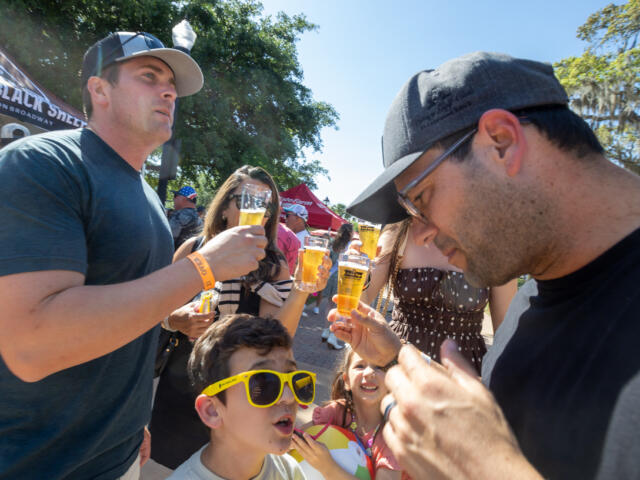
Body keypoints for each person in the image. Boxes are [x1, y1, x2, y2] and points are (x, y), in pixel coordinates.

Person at [337, 51, 640, 479]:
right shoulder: (532, 295)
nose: (421, 233)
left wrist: (489, 469)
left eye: (421, 199)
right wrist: (395, 357)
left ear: (501, 141)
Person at [0, 32, 267, 479]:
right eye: (149, 76)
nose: (169, 92)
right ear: (99, 90)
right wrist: (203, 267)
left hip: (119, 454)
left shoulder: (145, 194)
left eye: (172, 86)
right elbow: (32, 343)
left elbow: (128, 312)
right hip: (41, 462)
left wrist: (133, 419)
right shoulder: (41, 164)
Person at [150, 165, 331, 469]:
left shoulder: (273, 265)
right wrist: (176, 320)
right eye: (246, 198)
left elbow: (278, 339)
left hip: (239, 404)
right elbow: (154, 309)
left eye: (265, 204)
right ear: (223, 209)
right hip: (180, 392)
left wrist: (300, 289)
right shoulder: (194, 249)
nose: (257, 210)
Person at [360, 218, 517, 374]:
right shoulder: (398, 233)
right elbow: (360, 305)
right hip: (400, 360)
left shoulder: (496, 243)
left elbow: (507, 336)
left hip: (463, 370)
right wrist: (356, 272)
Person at [168, 313, 309, 480]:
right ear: (211, 410)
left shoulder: (288, 469)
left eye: (294, 379)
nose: (289, 395)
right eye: (263, 384)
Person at [293, 347, 402, 480]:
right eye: (360, 366)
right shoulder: (337, 411)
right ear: (347, 381)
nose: (369, 372)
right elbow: (297, 439)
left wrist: (328, 467)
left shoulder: (393, 437)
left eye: (379, 367)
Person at [319, 222, 354, 348]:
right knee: (341, 308)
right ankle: (333, 337)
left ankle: (326, 331)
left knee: (329, 304)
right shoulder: (351, 246)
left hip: (331, 276)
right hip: (343, 277)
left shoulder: (334, 243)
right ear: (350, 233)